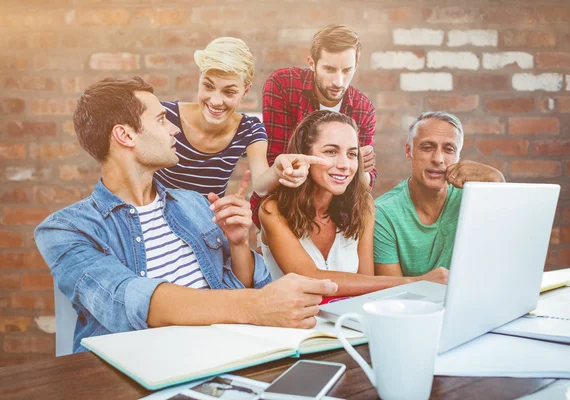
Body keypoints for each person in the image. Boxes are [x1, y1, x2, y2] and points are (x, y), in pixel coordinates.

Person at [34, 77, 337, 353]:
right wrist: (257, 306)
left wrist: (239, 244)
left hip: (225, 356)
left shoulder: (193, 204)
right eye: (161, 119)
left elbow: (246, 285)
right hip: (136, 372)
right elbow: (128, 299)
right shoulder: (65, 230)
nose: (174, 128)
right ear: (125, 135)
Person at [259, 110, 448, 297]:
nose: (344, 164)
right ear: (303, 154)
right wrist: (416, 282)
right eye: (331, 151)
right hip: (289, 324)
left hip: (345, 322)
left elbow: (367, 283)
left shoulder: (362, 205)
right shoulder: (273, 210)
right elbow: (311, 279)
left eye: (351, 154)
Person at [155, 37, 320, 199]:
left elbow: (261, 187)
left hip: (205, 222)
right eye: (208, 86)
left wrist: (277, 169)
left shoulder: (248, 130)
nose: (215, 101)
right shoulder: (164, 114)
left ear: (245, 92)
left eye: (229, 92)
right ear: (200, 79)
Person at [250, 24, 377, 228]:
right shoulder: (284, 85)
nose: (338, 81)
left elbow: (365, 182)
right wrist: (350, 159)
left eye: (347, 70)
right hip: (281, 211)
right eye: (329, 69)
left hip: (334, 218)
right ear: (312, 63)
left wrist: (358, 167)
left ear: (357, 65)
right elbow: (276, 163)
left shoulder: (363, 107)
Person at [374, 111, 506, 279]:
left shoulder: (472, 199)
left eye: (449, 149)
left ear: (459, 156)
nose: (438, 159)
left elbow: (502, 258)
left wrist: (497, 180)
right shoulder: (384, 213)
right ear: (409, 151)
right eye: (427, 147)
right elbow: (392, 294)